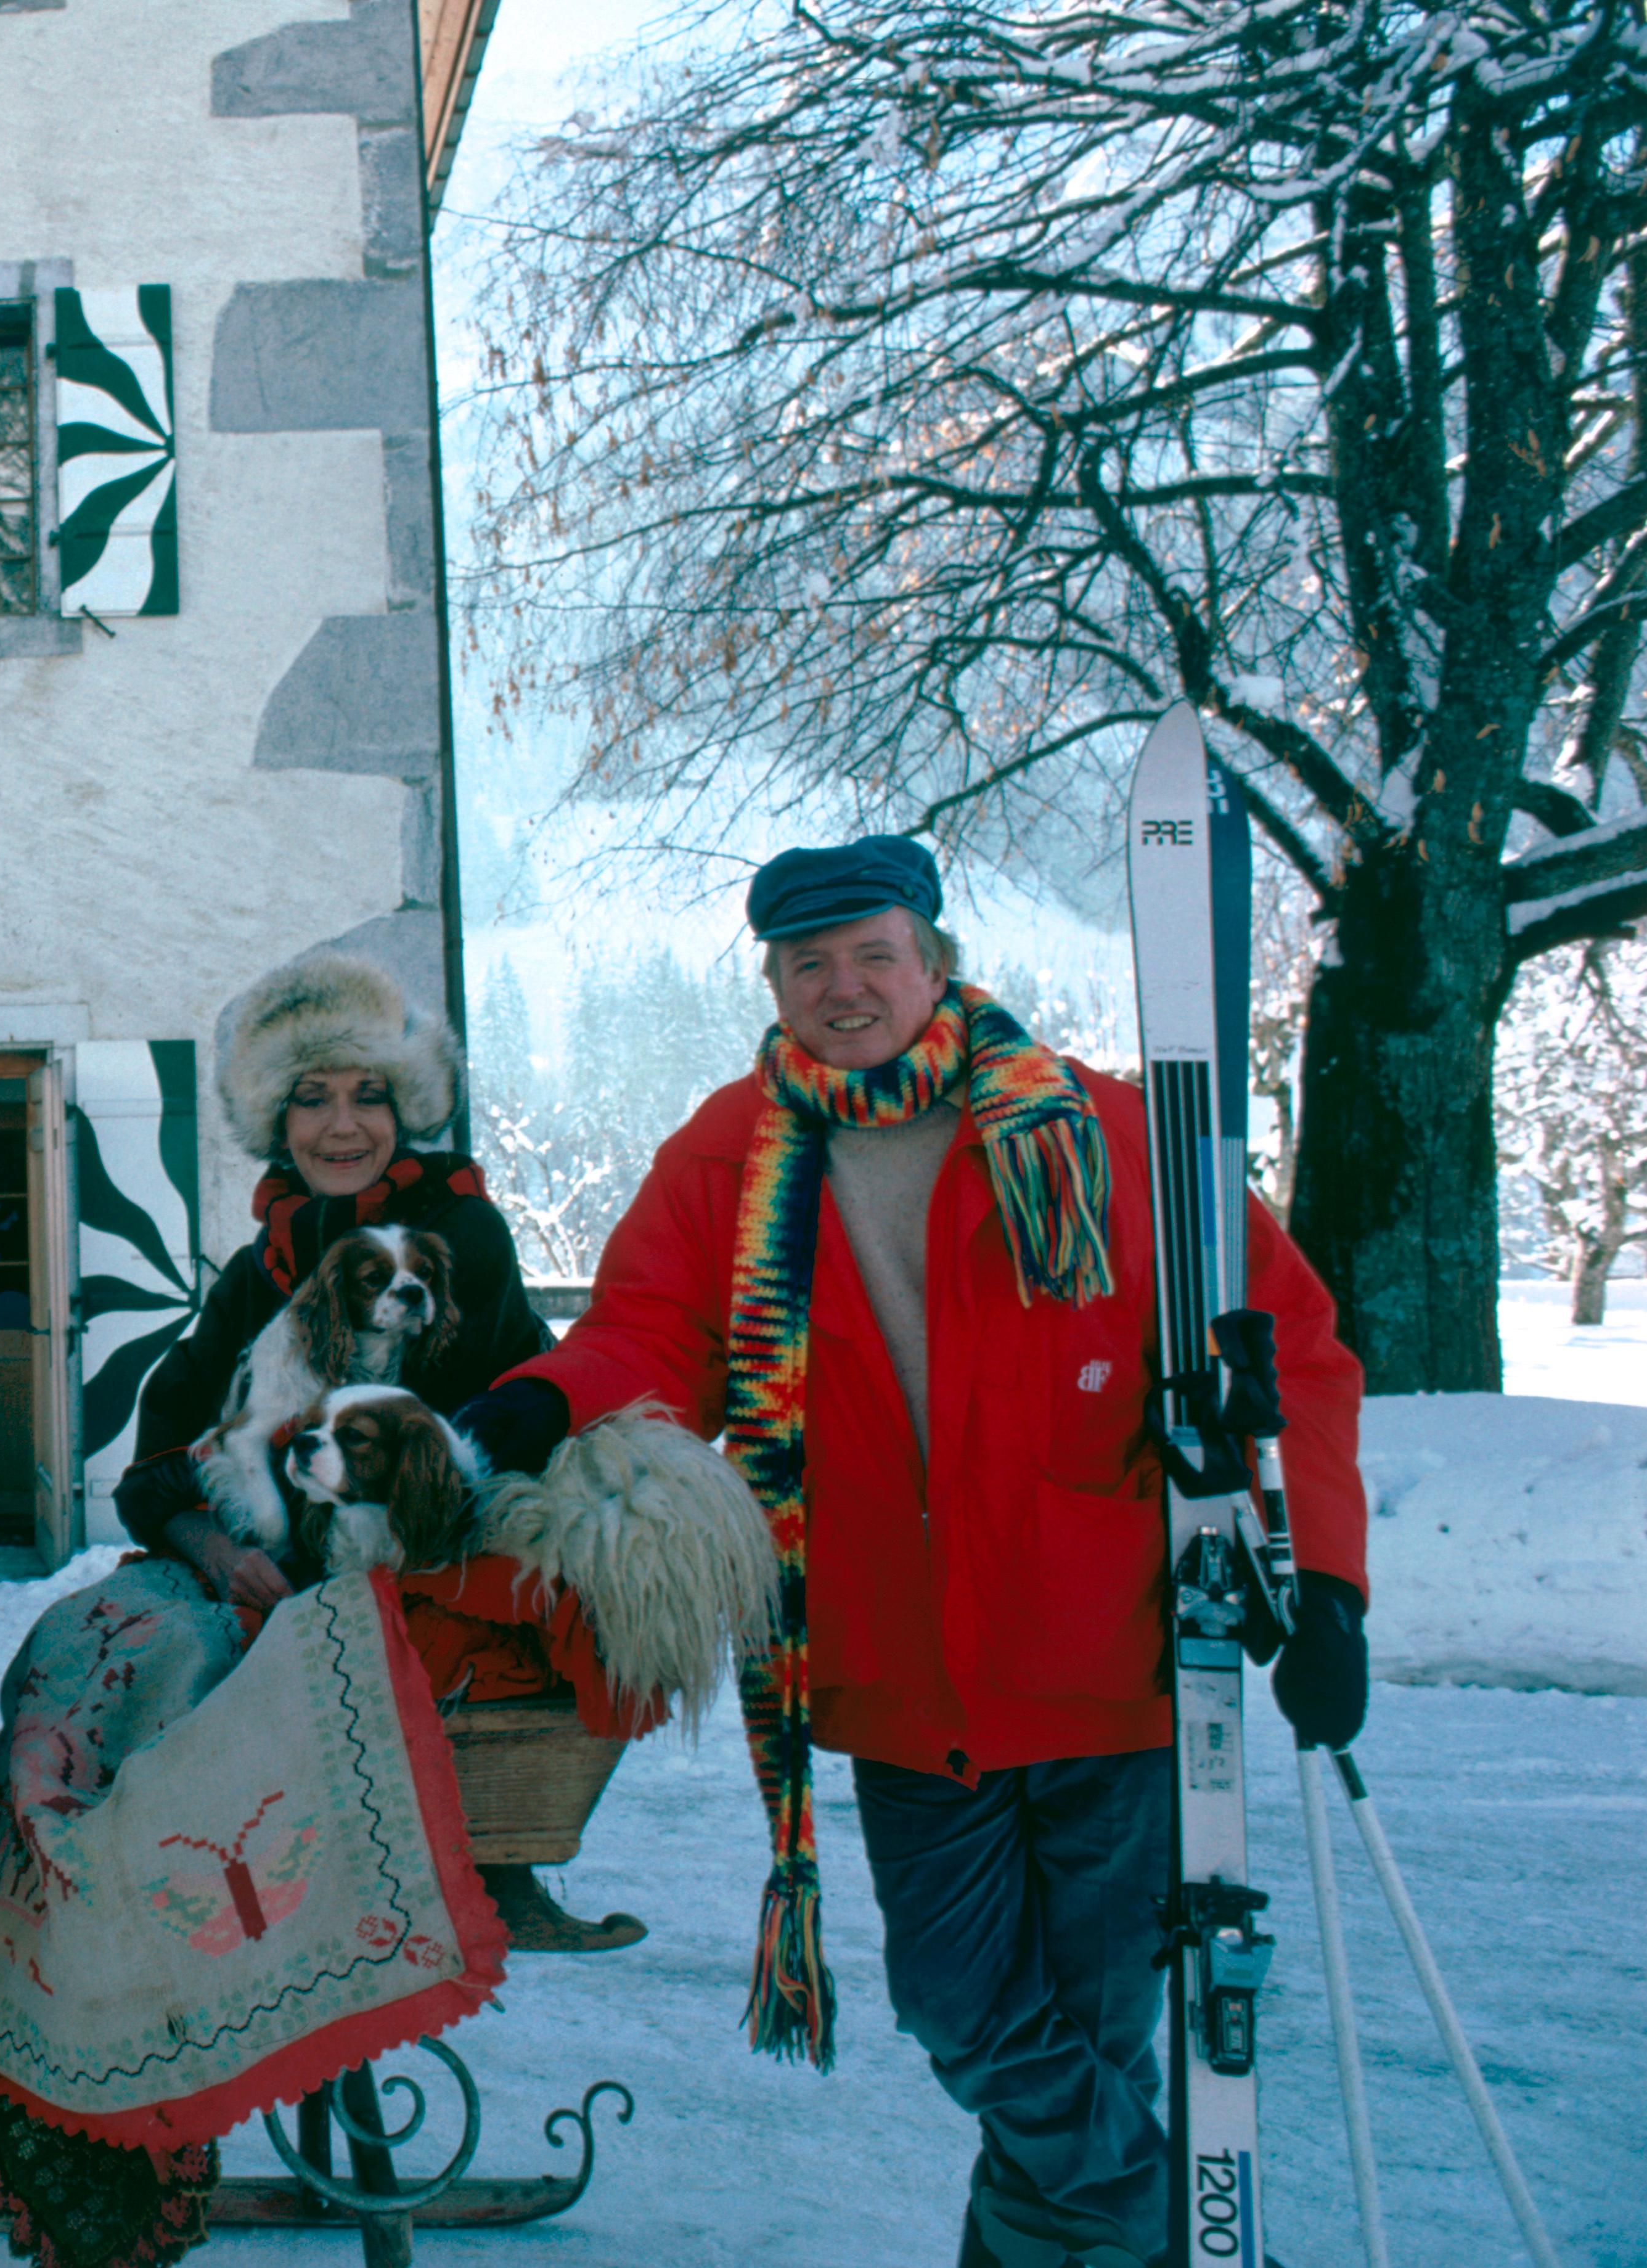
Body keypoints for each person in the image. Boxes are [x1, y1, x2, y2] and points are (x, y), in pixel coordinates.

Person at [456, 838, 1370, 2268]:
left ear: (931, 962)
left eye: (870, 954)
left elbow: (1293, 1354)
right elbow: (647, 1334)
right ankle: (1151, 2227)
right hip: (894, 1668)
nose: (841, 988)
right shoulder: (726, 1155)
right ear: (769, 982)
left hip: (1108, 1661)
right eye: (805, 963)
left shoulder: (1097, 1129)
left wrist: (1320, 1581)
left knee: (1089, 2031)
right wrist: (540, 1400)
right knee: (963, 2011)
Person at [107, 950, 633, 1949]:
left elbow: (423, 1470)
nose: (342, 1126)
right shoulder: (259, 1264)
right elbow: (163, 1440)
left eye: (368, 1097)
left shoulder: (457, 1239)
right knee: (107, 1646)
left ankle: (478, 1865)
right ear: (277, 1121)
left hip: (444, 1554)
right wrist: (213, 1546)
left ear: (405, 1112)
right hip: (276, 1559)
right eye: (311, 1100)